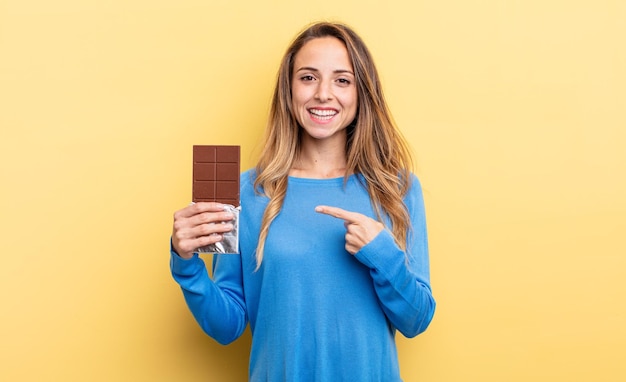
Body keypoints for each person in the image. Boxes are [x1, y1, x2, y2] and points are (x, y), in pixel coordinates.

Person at [170, 21, 436, 381]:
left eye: (342, 80)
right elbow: (227, 326)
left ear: (362, 93)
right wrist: (185, 263)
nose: (324, 93)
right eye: (308, 77)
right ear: (289, 89)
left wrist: (383, 255)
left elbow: (416, 320)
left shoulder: (397, 188)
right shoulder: (241, 191)